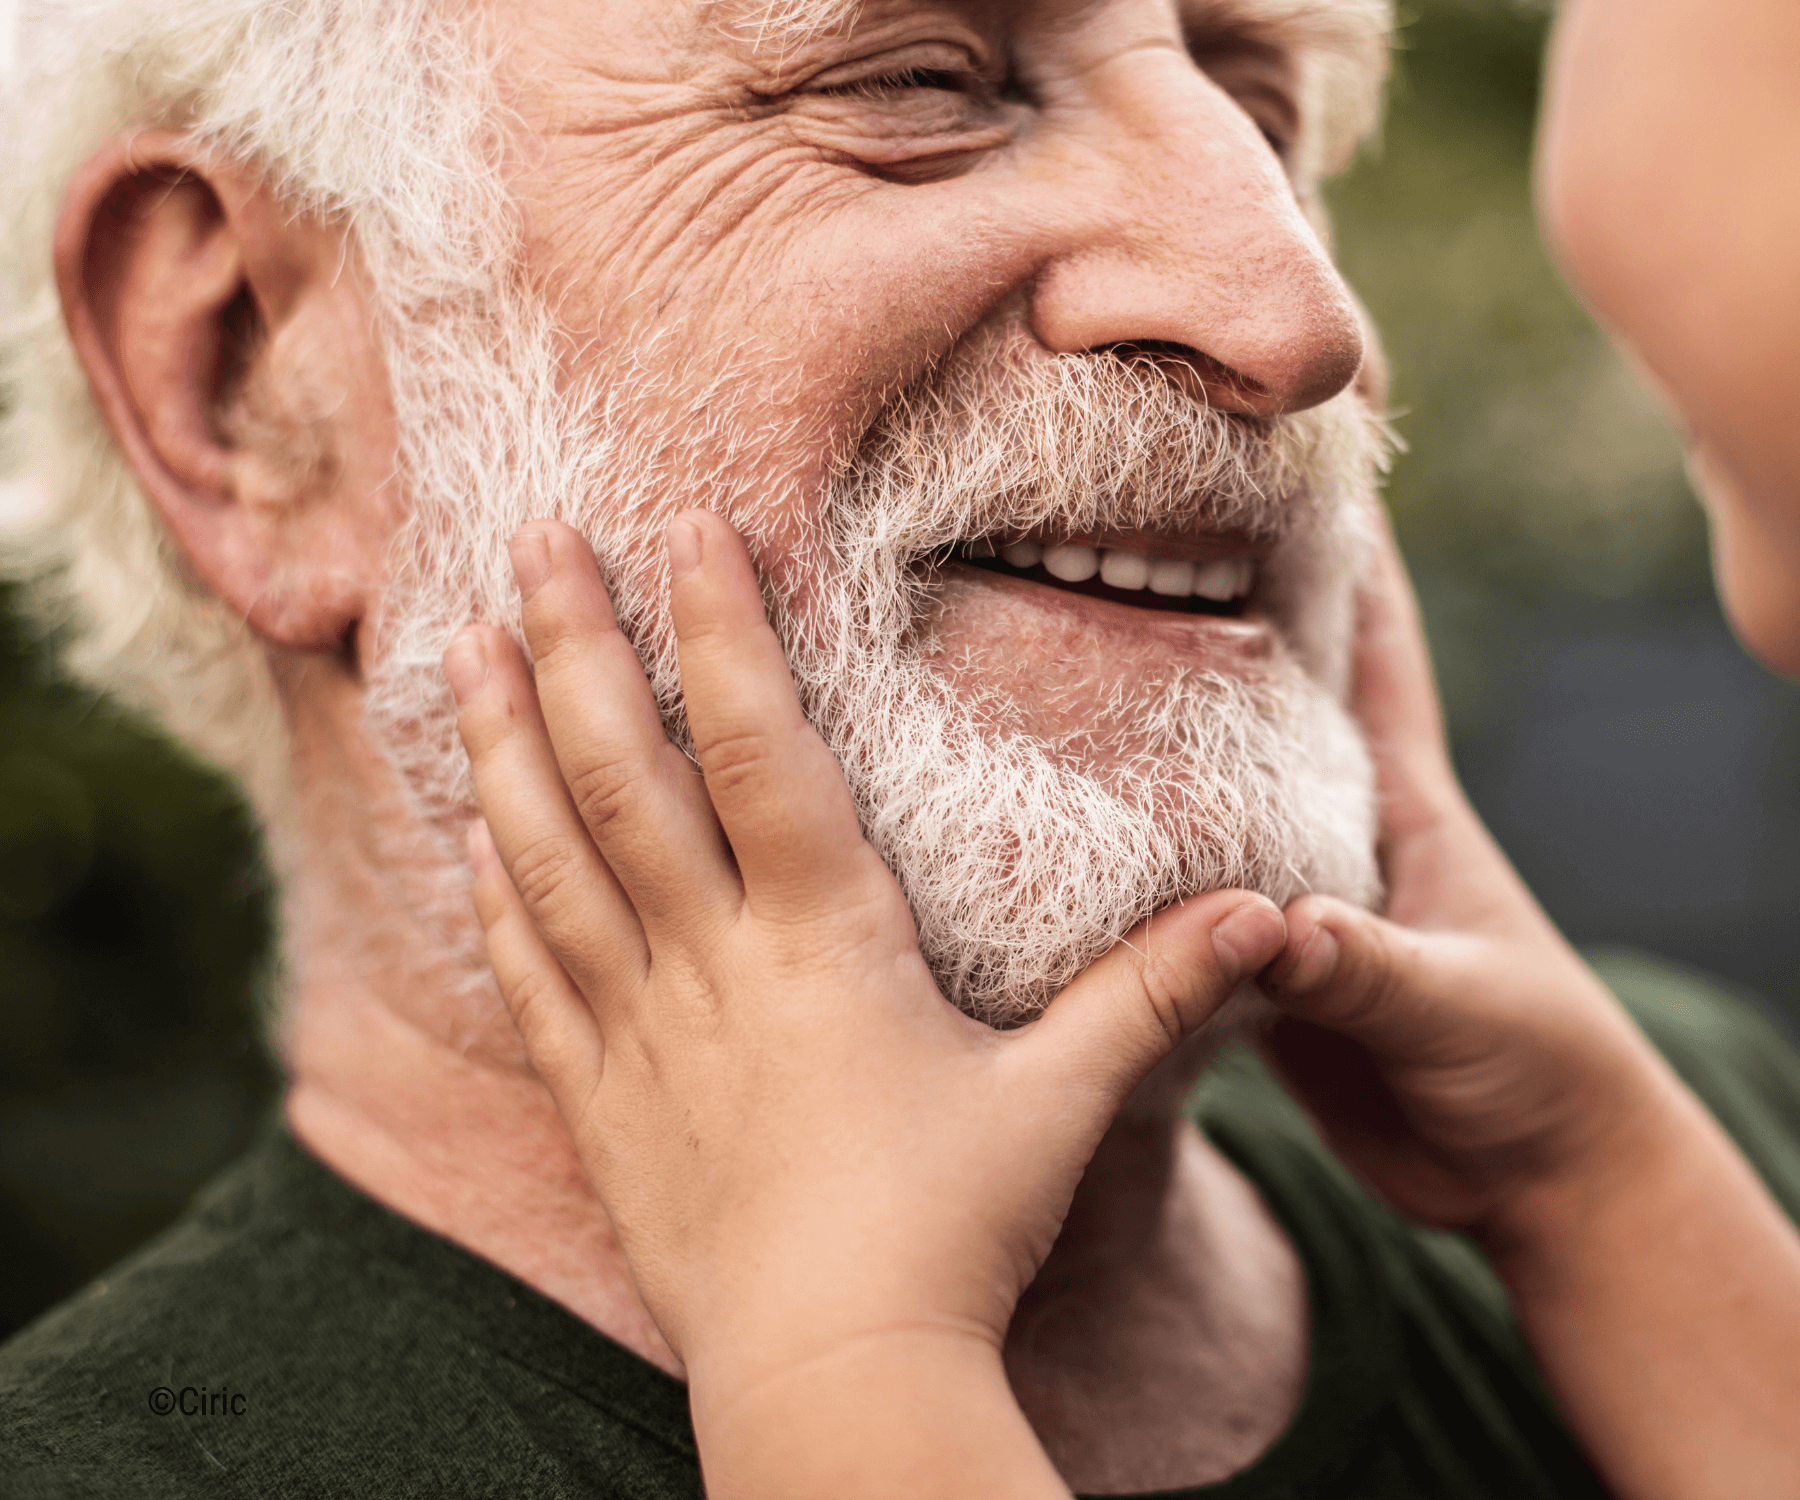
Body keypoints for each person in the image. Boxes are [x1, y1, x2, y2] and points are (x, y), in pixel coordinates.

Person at [0, 0, 1792, 1498]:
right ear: (245, 383)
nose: (1297, 314)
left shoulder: (1713, 1133)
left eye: (1256, 98)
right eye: (919, 78)